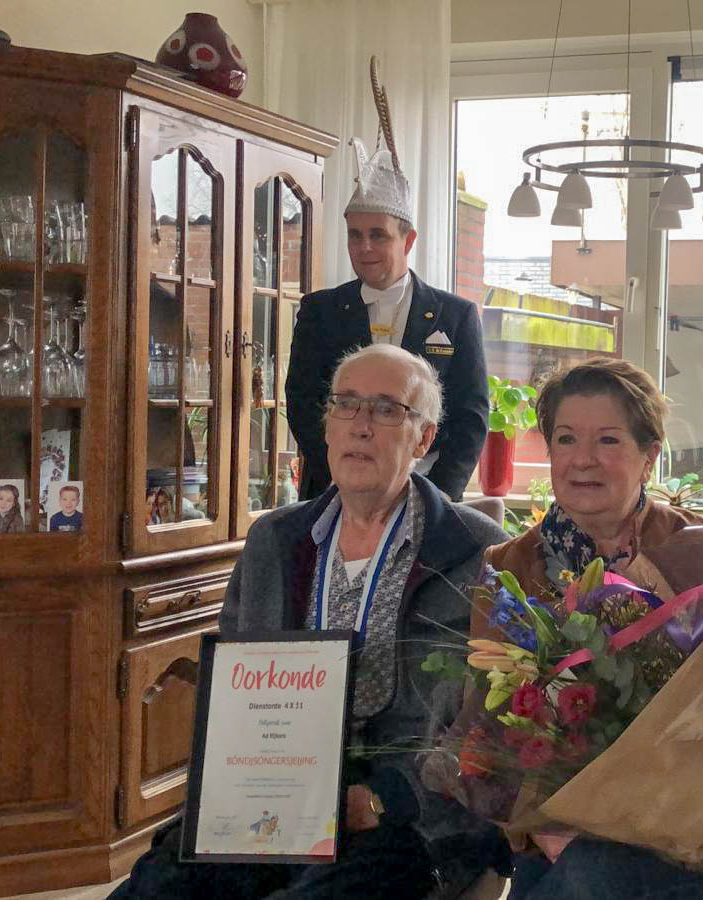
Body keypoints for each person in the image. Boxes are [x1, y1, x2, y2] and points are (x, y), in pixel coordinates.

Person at [112, 344, 508, 900]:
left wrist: (384, 801)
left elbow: (492, 727)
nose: (361, 425)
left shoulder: (477, 552)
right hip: (271, 796)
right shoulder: (274, 540)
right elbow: (230, 696)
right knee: (156, 887)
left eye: (386, 409)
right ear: (326, 425)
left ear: (424, 438)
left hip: (403, 816)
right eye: (346, 404)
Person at [480, 358, 703, 900]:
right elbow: (483, 731)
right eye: (566, 439)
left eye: (608, 440)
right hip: (569, 837)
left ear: (650, 456)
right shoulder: (508, 570)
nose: (583, 459)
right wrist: (542, 829)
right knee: (591, 874)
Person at [286, 58, 487, 502]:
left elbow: (470, 416)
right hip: (334, 492)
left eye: (378, 235)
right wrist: (344, 476)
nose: (364, 247)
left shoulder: (455, 316)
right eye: (354, 235)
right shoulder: (320, 311)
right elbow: (303, 403)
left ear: (408, 240)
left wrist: (438, 496)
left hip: (427, 494)